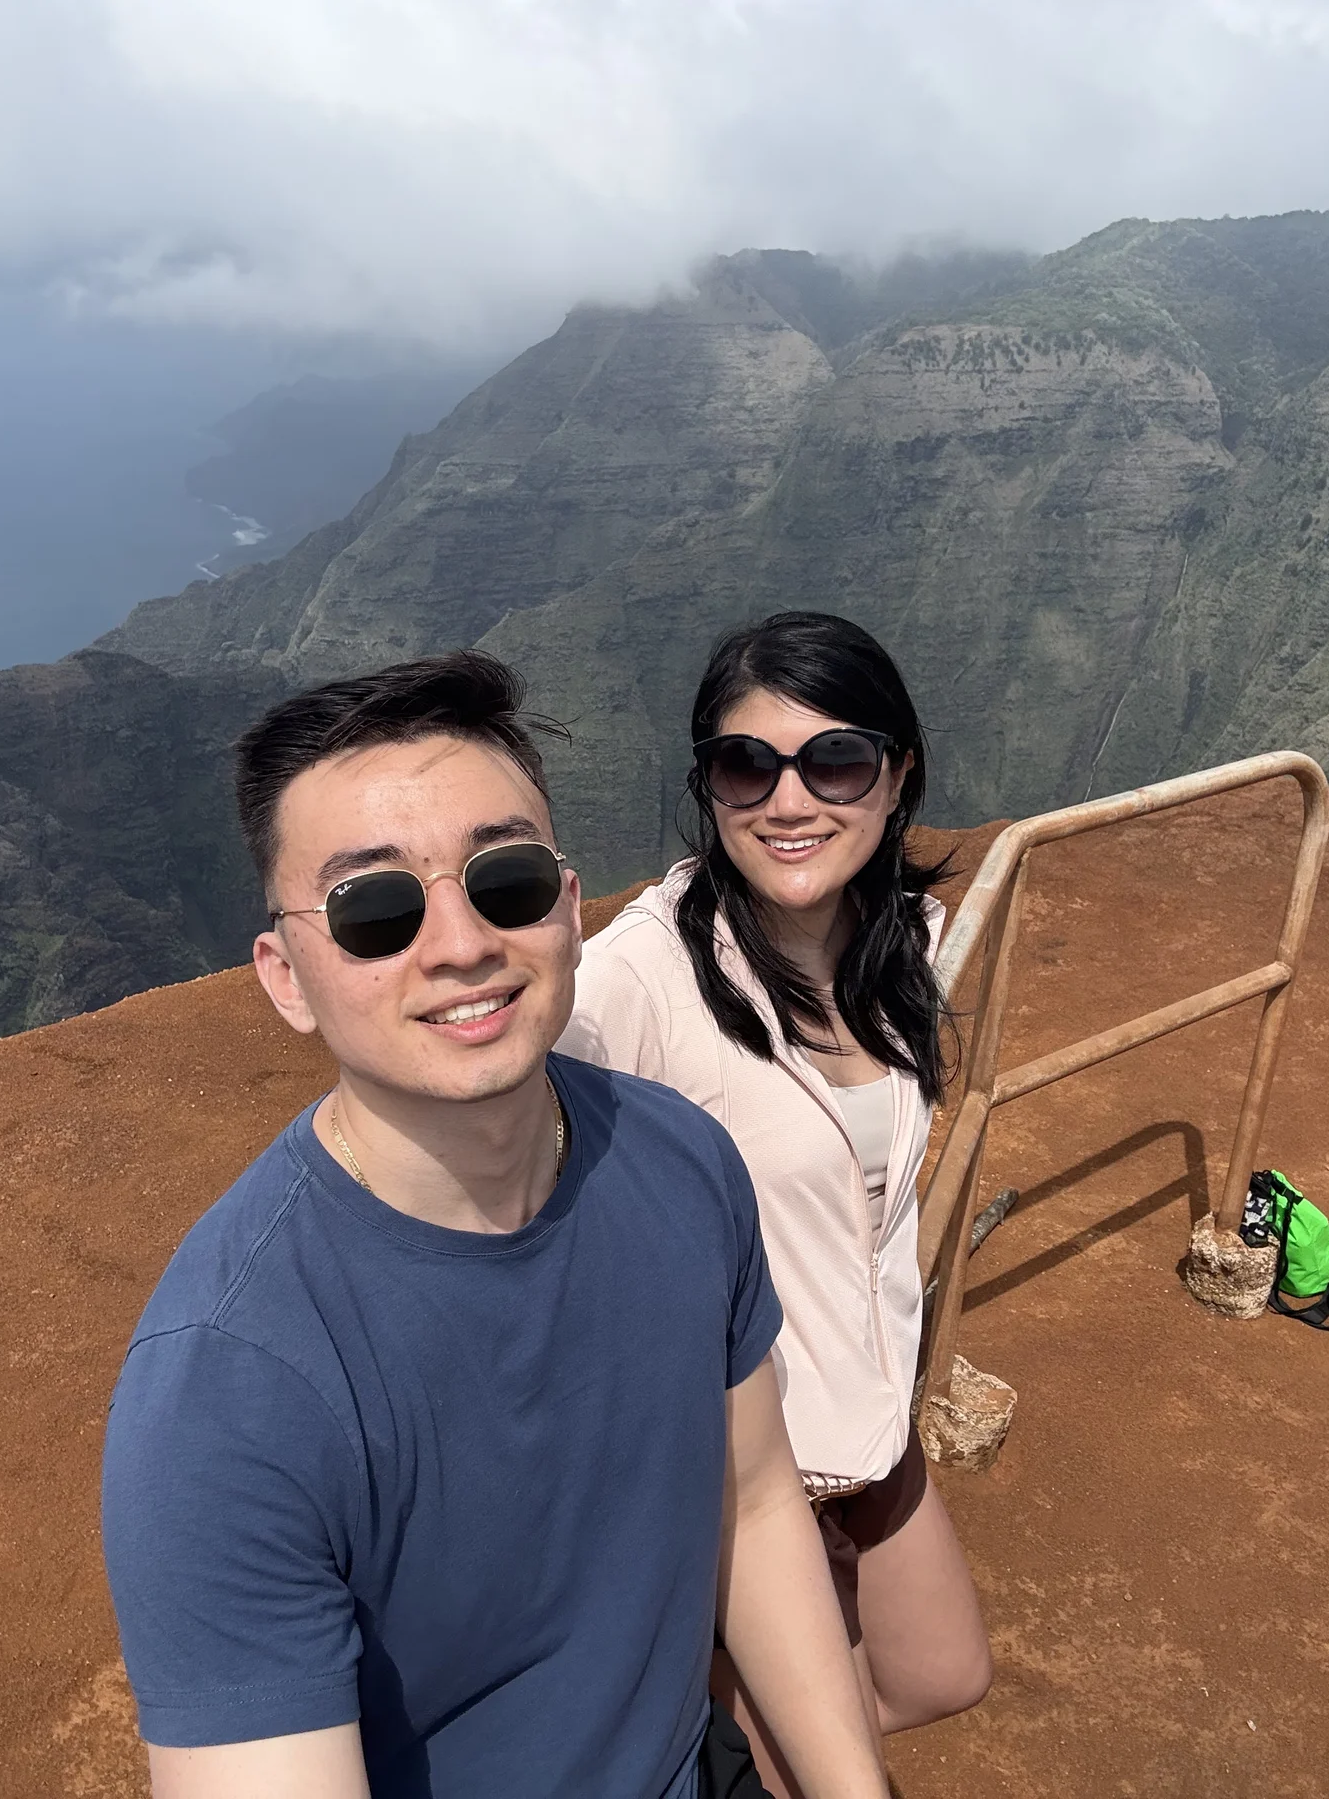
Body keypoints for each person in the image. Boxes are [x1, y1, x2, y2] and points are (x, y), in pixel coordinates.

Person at [101, 651, 887, 1799]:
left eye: (504, 879)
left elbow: (757, 1501)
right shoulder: (228, 1397)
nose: (462, 943)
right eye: (375, 909)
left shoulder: (683, 1162)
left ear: (567, 910)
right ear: (285, 976)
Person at [560, 612, 994, 1796]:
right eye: (746, 764)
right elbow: (513, 1091)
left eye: (836, 761)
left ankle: (703, 1728)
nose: (788, 800)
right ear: (708, 786)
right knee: (823, 1768)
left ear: (897, 777)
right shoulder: (642, 978)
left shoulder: (900, 941)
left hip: (865, 1425)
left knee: (941, 1673)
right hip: (732, 1467)